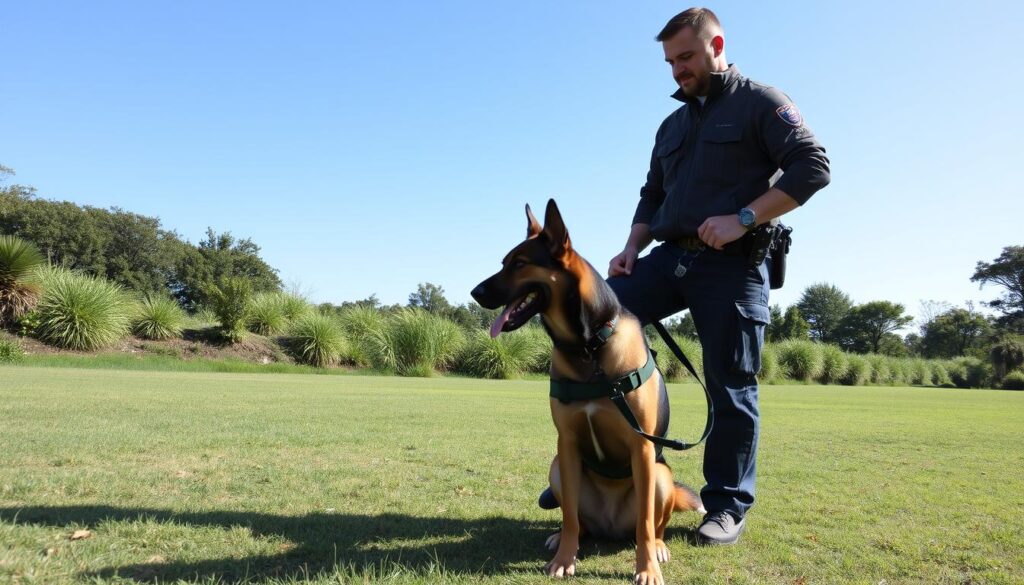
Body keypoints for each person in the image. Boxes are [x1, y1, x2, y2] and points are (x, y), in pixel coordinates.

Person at [606, 7, 830, 545]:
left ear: (716, 45)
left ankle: (726, 506)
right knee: (599, 325)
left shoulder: (761, 102)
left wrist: (744, 218)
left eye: (685, 57)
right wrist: (632, 247)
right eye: (669, 61)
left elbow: (813, 165)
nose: (677, 70)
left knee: (732, 387)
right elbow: (652, 194)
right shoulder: (672, 124)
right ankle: (619, 471)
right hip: (667, 258)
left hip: (733, 266)